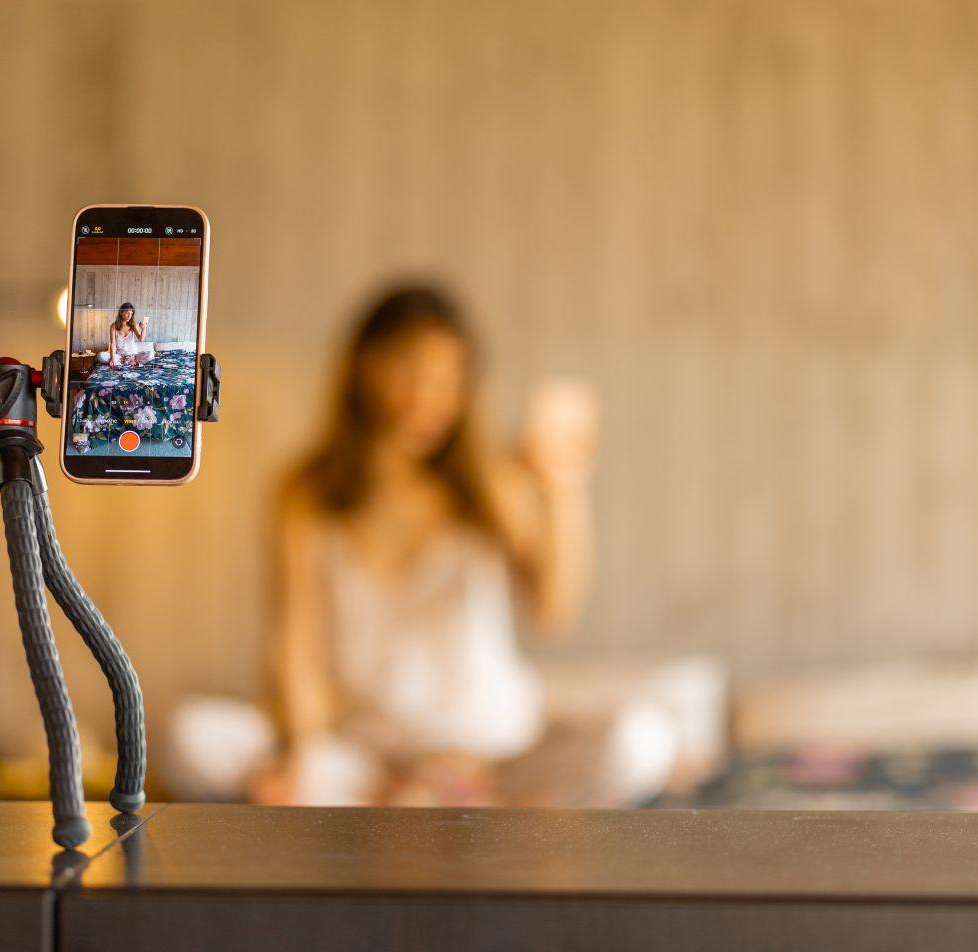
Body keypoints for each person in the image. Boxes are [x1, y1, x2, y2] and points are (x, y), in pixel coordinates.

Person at [166, 284, 679, 807]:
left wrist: (564, 488)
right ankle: (430, 810)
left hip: (493, 755)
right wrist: (298, 753)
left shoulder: (489, 481)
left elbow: (554, 609)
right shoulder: (307, 493)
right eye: (408, 371)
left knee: (640, 740)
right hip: (369, 759)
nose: (426, 397)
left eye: (446, 379)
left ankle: (453, 804)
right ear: (364, 366)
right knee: (188, 737)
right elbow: (296, 641)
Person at [108, 303, 153, 367]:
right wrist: (112, 358)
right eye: (127, 313)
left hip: (133, 354)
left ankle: (130, 361)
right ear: (121, 312)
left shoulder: (133, 324)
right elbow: (113, 344)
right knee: (101, 356)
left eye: (131, 314)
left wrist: (144, 328)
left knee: (150, 354)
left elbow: (141, 339)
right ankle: (130, 362)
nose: (129, 316)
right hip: (120, 356)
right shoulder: (113, 326)